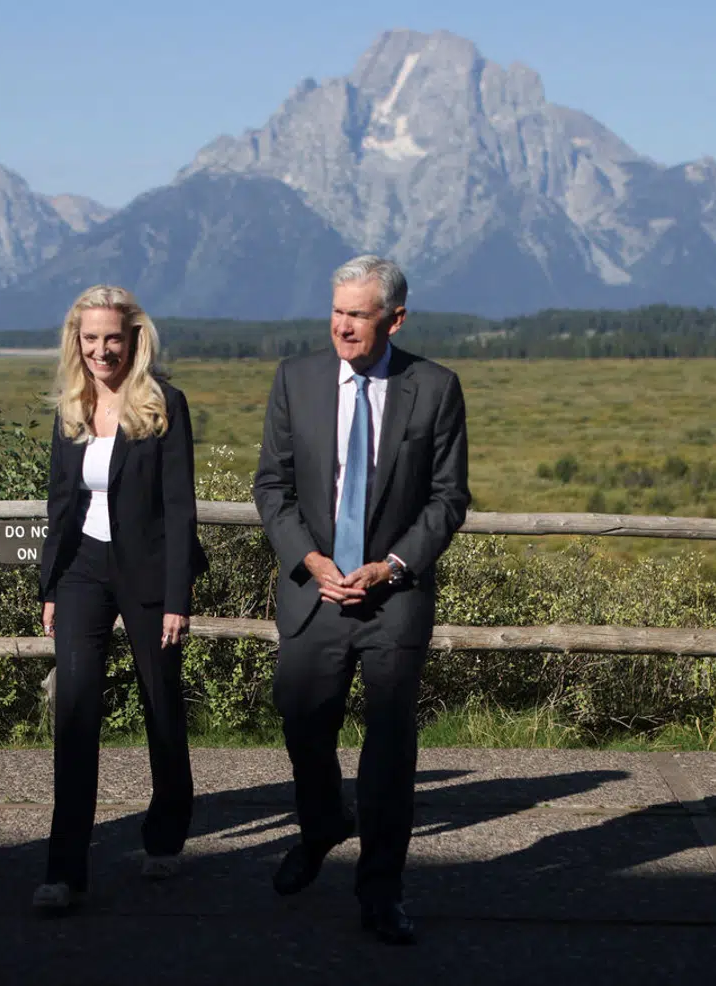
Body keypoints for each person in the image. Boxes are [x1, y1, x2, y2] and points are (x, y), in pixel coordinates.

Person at [252, 255, 470, 945]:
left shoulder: (434, 388)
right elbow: (272, 487)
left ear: (395, 319)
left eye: (358, 315)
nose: (342, 326)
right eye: (337, 311)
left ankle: (381, 891)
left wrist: (391, 567)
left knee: (390, 747)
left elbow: (447, 499)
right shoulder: (296, 379)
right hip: (315, 592)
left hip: (392, 596)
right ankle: (322, 825)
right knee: (301, 718)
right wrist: (310, 560)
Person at [35, 285, 207, 913]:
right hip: (82, 568)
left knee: (160, 703)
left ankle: (165, 836)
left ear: (135, 339)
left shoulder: (164, 404)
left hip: (149, 573)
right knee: (75, 712)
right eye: (90, 339)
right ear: (75, 341)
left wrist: (176, 597)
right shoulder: (71, 406)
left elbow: (179, 505)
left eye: (112, 338)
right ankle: (64, 871)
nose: (101, 350)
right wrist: (51, 584)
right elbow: (60, 500)